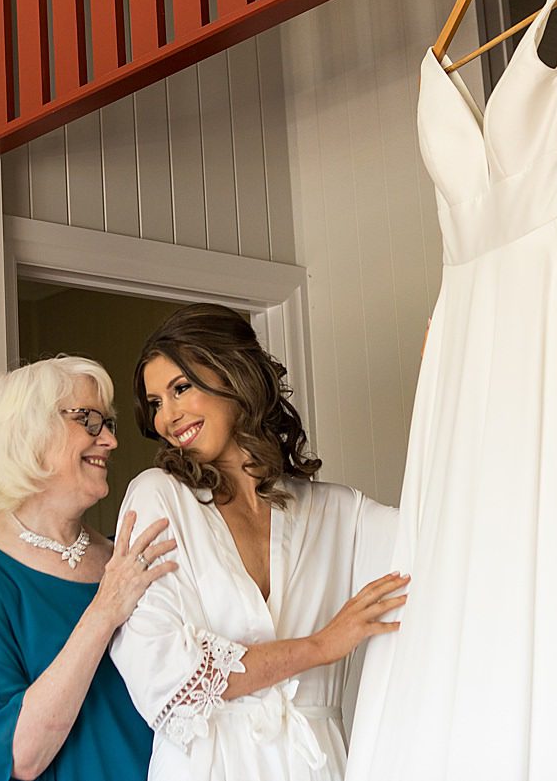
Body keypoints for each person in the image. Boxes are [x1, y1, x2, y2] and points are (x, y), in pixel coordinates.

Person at [110, 305, 404, 778]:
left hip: (315, 765)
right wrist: (321, 645)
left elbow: (442, 538)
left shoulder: (337, 513)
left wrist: (447, 372)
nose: (167, 417)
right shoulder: (159, 499)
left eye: (180, 388)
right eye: (156, 403)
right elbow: (165, 676)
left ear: (234, 375)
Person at [0, 356, 176, 781]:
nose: (110, 441)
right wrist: (104, 611)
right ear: (30, 431)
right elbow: (19, 755)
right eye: (89, 420)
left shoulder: (124, 559)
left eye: (108, 423)